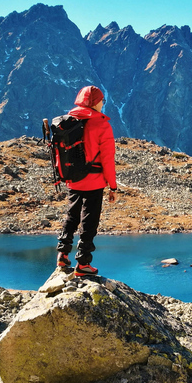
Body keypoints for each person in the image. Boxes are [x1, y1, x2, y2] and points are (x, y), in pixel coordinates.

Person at [56, 85, 117, 276]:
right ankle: (83, 263)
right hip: (95, 181)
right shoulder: (102, 125)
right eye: (101, 101)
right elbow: (107, 159)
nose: (102, 105)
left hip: (73, 179)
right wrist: (113, 187)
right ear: (94, 102)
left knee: (72, 215)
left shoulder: (69, 121)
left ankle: (63, 254)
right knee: (89, 221)